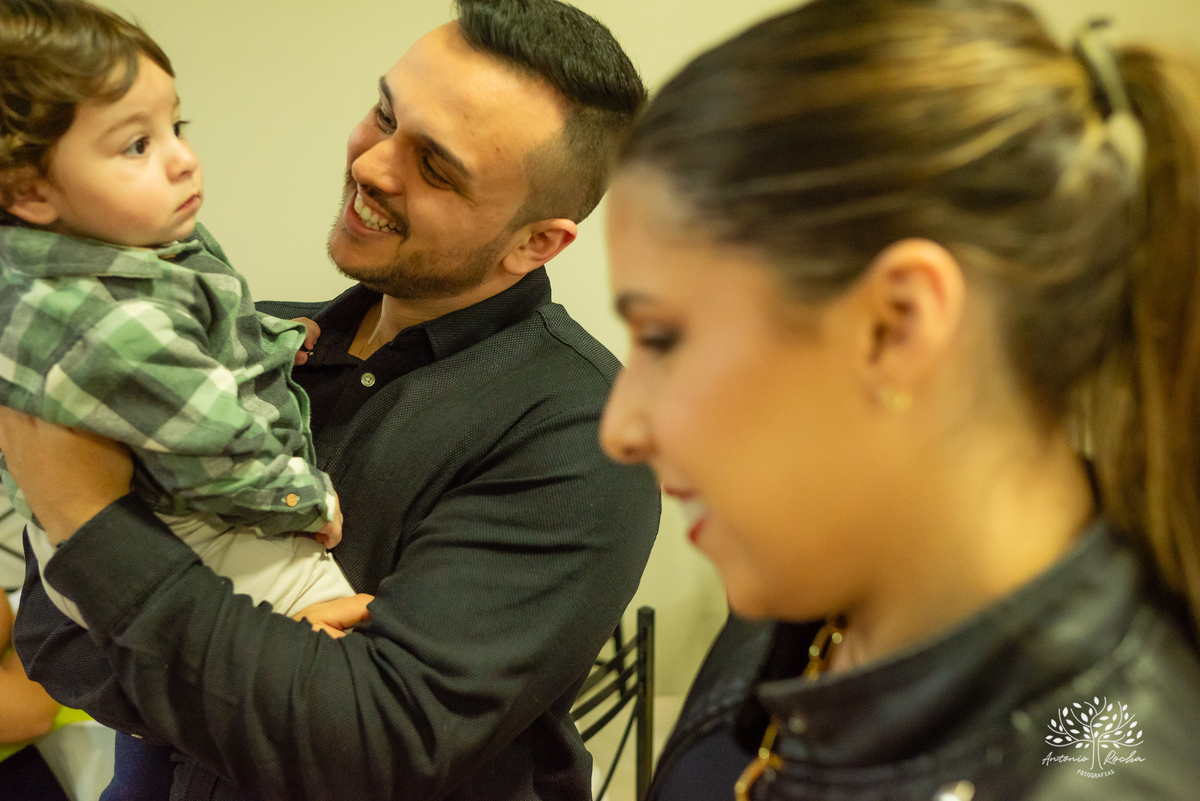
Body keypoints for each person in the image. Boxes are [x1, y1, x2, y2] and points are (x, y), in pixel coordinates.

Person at [1, 0, 661, 799]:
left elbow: (369, 745)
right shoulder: (250, 345)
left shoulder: (578, 433)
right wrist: (281, 674)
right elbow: (50, 634)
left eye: (437, 167)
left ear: (536, 241)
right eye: (384, 114)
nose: (374, 165)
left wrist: (88, 517)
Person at [598, 0, 1200, 798]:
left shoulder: (1101, 763)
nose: (620, 428)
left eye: (663, 338)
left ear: (895, 325)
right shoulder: (825, 577)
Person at [0, 0, 355, 628]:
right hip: (201, 529)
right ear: (30, 191)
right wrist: (308, 501)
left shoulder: (123, 247)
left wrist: (265, 340)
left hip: (108, 525)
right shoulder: (105, 323)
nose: (182, 158)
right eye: (137, 144)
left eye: (176, 127)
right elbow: (218, 455)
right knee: (340, 654)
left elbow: (192, 336)